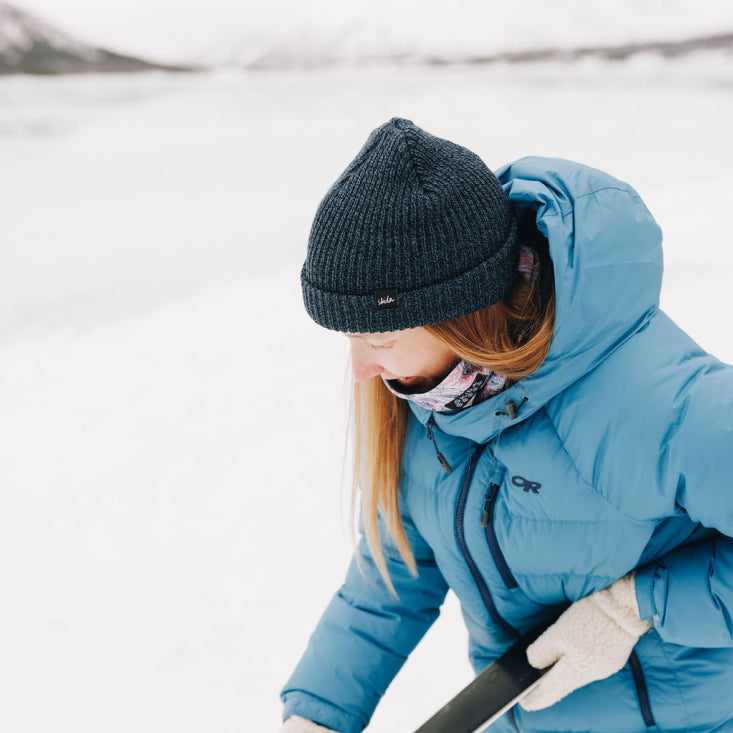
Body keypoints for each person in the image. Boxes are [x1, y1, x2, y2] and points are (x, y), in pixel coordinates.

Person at [279, 118, 733, 732]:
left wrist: (637, 607)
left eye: (378, 338)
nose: (359, 368)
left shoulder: (661, 406)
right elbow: (390, 579)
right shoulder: (427, 407)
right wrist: (317, 716)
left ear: (458, 319)